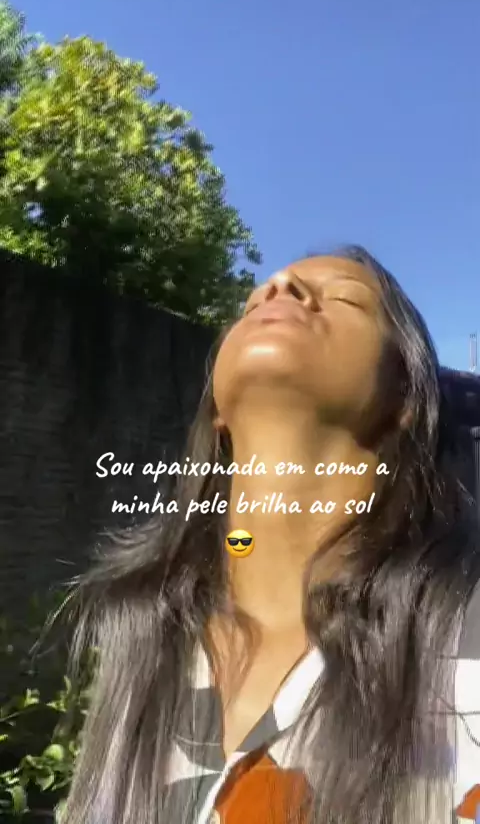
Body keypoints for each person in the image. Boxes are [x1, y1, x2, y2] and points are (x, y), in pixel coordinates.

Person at [60, 246, 480, 824]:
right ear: (217, 412)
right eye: (254, 301)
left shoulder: (463, 633)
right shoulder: (136, 635)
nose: (280, 285)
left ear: (406, 395)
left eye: (345, 298)